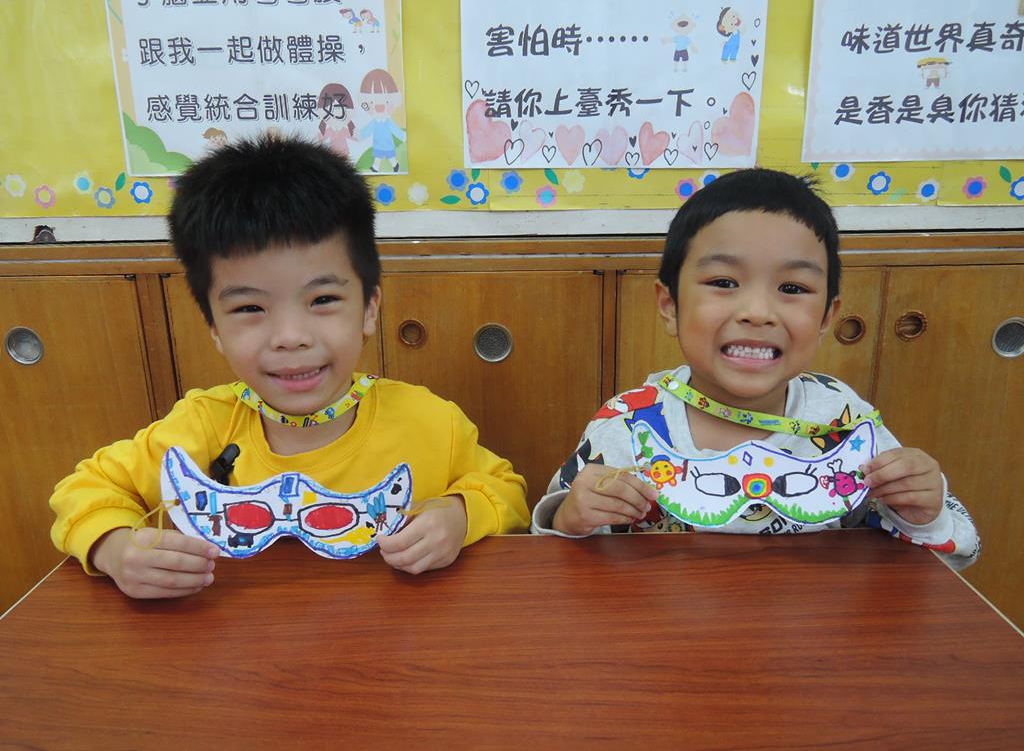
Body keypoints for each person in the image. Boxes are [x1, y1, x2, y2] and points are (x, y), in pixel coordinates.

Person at [50, 135, 529, 598]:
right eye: (249, 309)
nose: (290, 336)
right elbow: (84, 489)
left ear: (368, 309)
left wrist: (460, 514)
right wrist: (115, 549)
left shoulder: (431, 423)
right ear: (214, 328)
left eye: (322, 299)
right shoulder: (199, 428)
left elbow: (506, 491)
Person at [532, 168, 979, 571]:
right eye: (724, 282)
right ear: (669, 305)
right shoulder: (627, 423)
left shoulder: (844, 420)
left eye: (793, 288)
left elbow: (954, 557)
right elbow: (548, 560)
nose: (758, 312)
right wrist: (570, 518)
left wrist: (924, 516)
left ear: (826, 316)